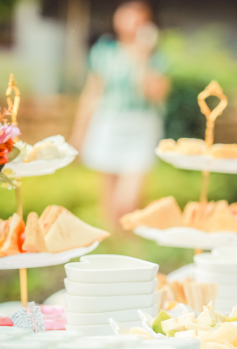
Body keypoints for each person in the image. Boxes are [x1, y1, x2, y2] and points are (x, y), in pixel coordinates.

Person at [70, 1, 169, 229]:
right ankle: (116, 247)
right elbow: (92, 93)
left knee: (128, 201)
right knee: (109, 200)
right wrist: (79, 134)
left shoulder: (155, 56)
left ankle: (130, 243)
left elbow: (155, 94)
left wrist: (142, 58)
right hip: (108, 123)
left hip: (141, 126)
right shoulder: (105, 50)